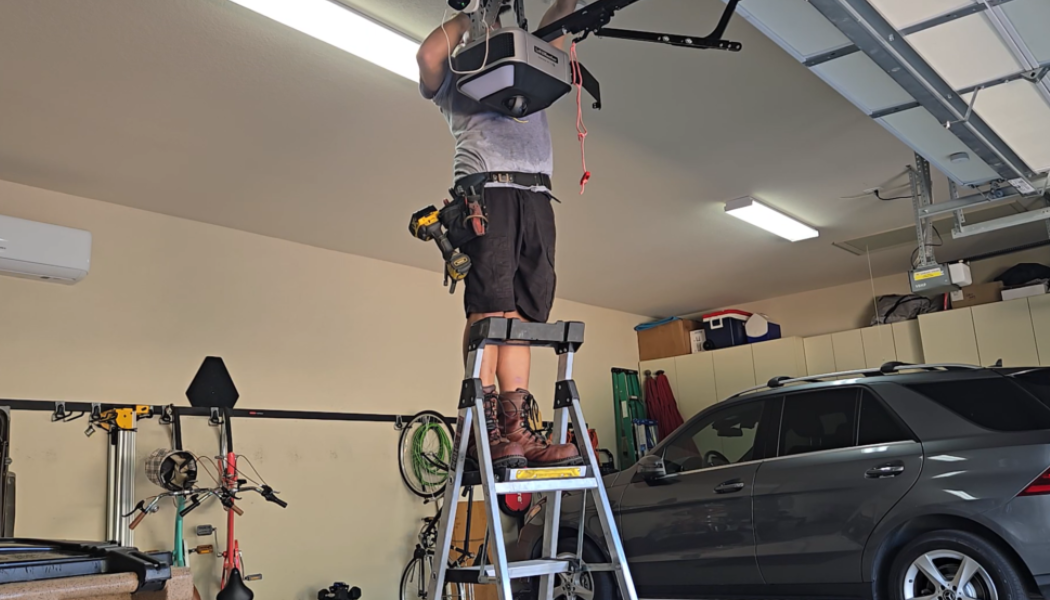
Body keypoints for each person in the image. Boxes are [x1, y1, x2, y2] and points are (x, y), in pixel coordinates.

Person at [417, 1, 584, 469]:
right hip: (485, 191)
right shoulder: (457, 74)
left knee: (522, 315)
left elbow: (556, 28)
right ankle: (483, 429)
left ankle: (516, 432)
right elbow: (428, 56)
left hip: (537, 195)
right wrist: (473, 14)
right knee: (490, 307)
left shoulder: (525, 64)